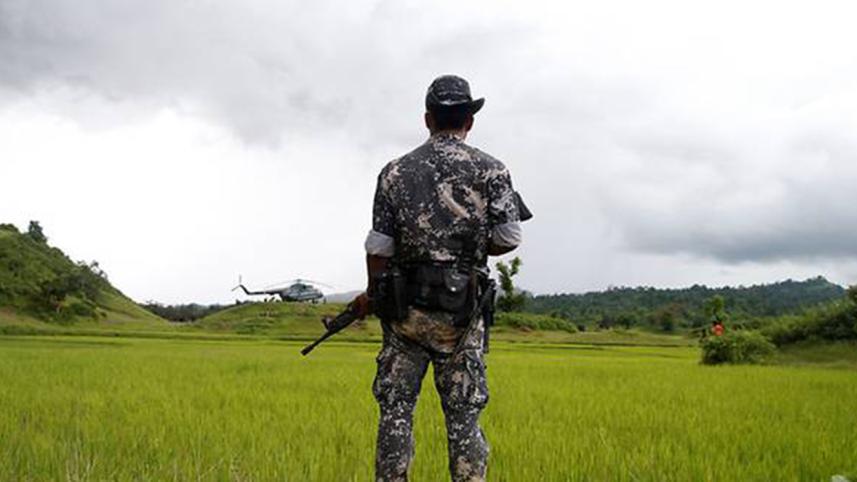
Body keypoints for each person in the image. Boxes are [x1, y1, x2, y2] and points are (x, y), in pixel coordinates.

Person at [351, 75, 527, 482]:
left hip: (404, 314)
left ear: (428, 119)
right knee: (464, 418)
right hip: (462, 315)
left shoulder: (394, 172)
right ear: (469, 120)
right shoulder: (493, 169)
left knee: (396, 412)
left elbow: (379, 248)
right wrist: (470, 247)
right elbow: (509, 238)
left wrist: (374, 296)